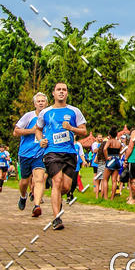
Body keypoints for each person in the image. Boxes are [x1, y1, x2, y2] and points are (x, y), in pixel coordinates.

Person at [35, 82, 87, 230]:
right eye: (59, 90)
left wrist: (71, 128)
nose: (61, 92)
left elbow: (83, 131)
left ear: (67, 93)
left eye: (64, 90)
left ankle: (57, 199)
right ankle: (56, 218)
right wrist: (41, 140)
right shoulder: (46, 112)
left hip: (69, 152)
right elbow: (38, 129)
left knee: (65, 187)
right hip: (51, 151)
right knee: (57, 181)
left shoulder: (74, 111)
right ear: (53, 93)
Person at [14, 92, 48, 216]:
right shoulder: (28, 116)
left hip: (40, 154)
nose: (41, 103)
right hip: (25, 154)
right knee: (24, 181)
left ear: (47, 103)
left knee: (39, 179)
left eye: (43, 101)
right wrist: (32, 131)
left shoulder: (49, 117)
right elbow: (16, 132)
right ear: (34, 104)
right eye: (38, 101)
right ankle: (23, 196)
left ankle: (37, 206)